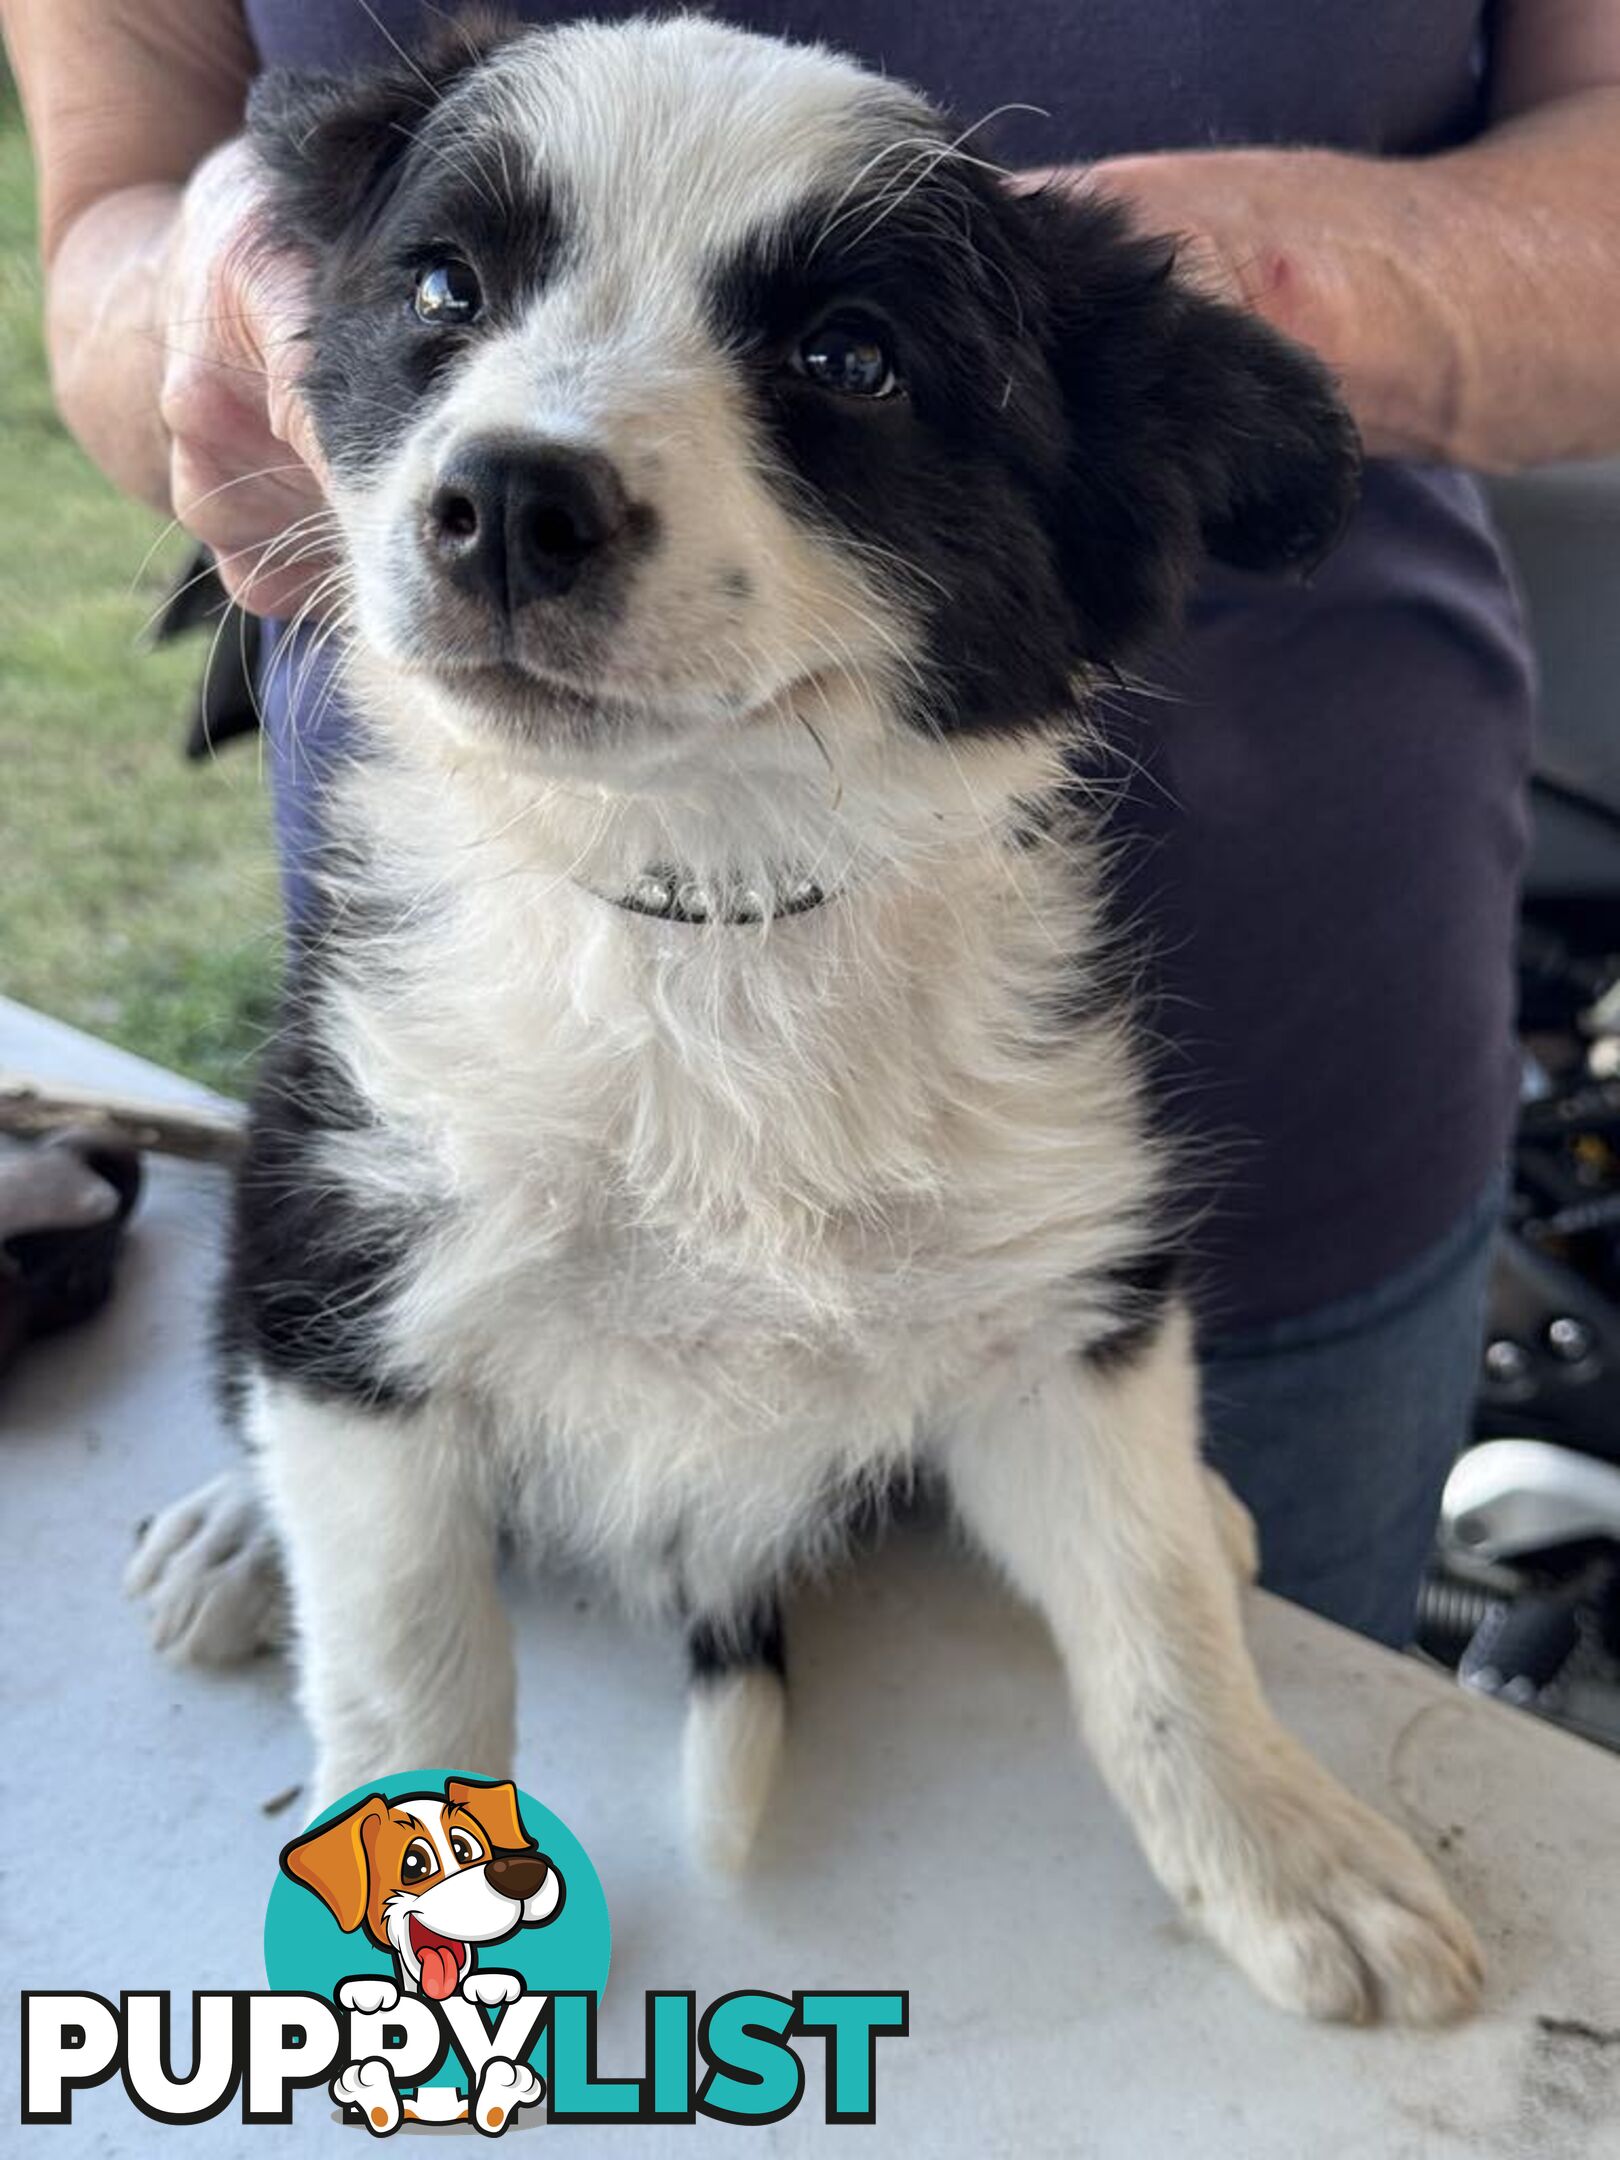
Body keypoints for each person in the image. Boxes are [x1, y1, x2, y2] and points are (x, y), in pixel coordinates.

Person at [8, 0, 1620, 1645]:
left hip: (1232, 1115)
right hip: (486, 1083)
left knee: (1113, 1839)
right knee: (431, 1636)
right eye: (455, 286)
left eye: (841, 357)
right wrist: (206, 287)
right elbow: (112, 215)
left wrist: (1190, 329)